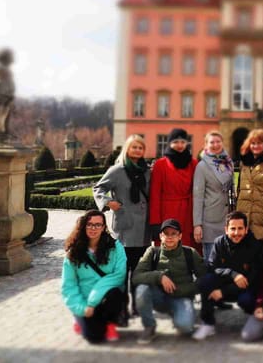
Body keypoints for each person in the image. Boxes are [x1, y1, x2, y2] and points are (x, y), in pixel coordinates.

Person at [93, 134, 151, 325]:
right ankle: (120, 310)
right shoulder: (117, 170)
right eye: (134, 147)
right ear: (127, 149)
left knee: (138, 271)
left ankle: (137, 305)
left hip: (143, 228)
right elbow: (98, 188)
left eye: (140, 148)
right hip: (125, 228)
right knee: (121, 272)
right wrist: (109, 202)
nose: (137, 151)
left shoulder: (147, 171)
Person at [132, 219, 206, 343]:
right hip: (159, 297)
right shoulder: (152, 252)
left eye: (174, 233)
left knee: (185, 327)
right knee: (141, 289)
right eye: (166, 233)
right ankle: (149, 326)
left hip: (181, 297)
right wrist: (159, 277)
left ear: (180, 236)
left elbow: (204, 278)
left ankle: (179, 314)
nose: (170, 237)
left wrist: (184, 290)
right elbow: (136, 276)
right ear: (161, 236)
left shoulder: (190, 253)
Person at [193, 211, 263, 341]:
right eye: (233, 229)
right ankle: (208, 323)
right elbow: (212, 268)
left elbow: (253, 278)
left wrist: (223, 292)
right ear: (226, 229)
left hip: (245, 289)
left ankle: (256, 319)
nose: (236, 233)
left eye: (240, 228)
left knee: (246, 300)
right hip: (224, 283)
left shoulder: (254, 245)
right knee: (205, 282)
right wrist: (232, 274)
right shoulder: (219, 243)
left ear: (246, 229)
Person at [61, 210, 127, 343]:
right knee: (94, 337)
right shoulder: (73, 253)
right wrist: (82, 308)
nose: (93, 228)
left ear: (103, 227)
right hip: (84, 301)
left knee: (116, 294)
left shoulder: (115, 247)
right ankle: (80, 320)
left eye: (98, 225)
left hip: (106, 298)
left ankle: (110, 323)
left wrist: (93, 300)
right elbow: (68, 286)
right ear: (83, 226)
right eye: (90, 224)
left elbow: (119, 275)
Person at [149, 128, 198, 248]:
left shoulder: (194, 163)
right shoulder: (160, 164)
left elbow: (197, 191)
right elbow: (155, 195)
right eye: (176, 142)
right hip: (167, 212)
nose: (180, 145)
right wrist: (155, 222)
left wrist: (197, 220)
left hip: (188, 212)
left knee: (186, 246)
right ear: (170, 143)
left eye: (183, 142)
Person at [193, 131, 235, 260]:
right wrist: (197, 224)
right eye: (212, 142)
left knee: (227, 259)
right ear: (206, 145)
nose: (215, 145)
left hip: (227, 217)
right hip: (209, 219)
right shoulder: (202, 166)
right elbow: (198, 196)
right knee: (211, 260)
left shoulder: (228, 163)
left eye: (218, 141)